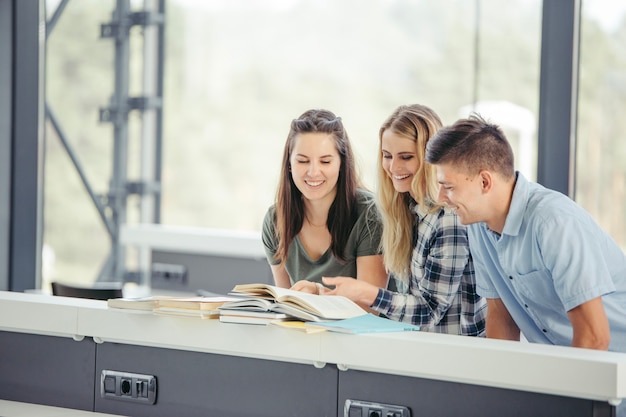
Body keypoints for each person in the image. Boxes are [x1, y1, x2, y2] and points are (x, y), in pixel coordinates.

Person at [424, 114, 626, 351]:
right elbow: (501, 317)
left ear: (485, 182)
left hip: (613, 364)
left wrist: (563, 388)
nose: (440, 198)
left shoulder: (553, 222)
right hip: (570, 363)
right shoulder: (477, 225)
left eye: (448, 187)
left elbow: (594, 337)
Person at [322, 104, 487, 336]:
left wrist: (367, 293)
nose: (393, 167)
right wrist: (323, 295)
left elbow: (430, 311)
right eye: (387, 156)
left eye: (406, 157)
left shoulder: (448, 219)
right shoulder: (407, 211)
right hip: (419, 352)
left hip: (455, 358)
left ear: (431, 158)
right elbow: (406, 309)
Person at [262, 109, 388, 300]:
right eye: (303, 161)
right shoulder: (275, 220)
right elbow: (287, 302)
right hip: (307, 329)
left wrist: (317, 292)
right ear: (289, 163)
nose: (313, 172)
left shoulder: (369, 214)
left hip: (362, 329)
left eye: (325, 161)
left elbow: (370, 308)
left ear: (341, 163)